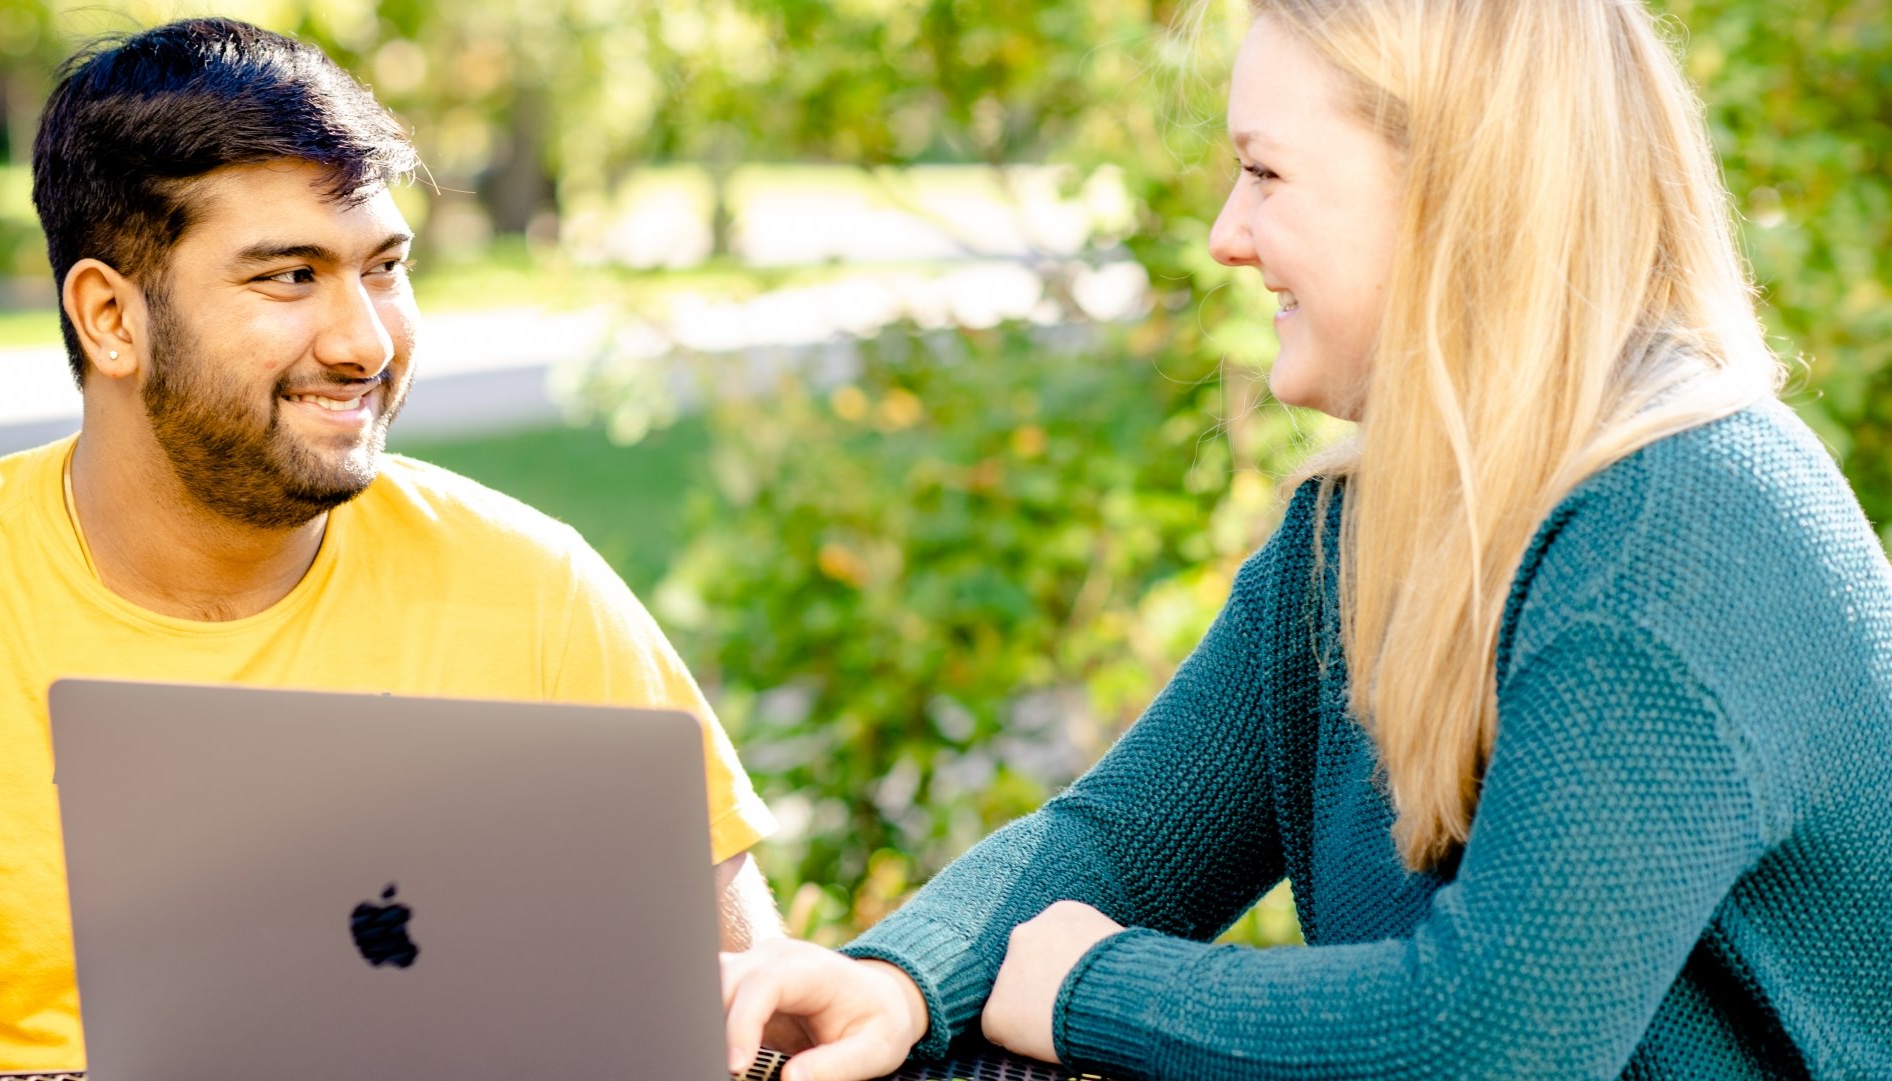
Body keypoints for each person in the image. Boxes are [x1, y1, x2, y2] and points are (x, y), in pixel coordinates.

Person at [0, 19, 780, 1078]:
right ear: (110, 316)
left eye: (385, 269)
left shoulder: (539, 590)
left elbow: (743, 994)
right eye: (289, 277)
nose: (364, 340)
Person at [718, 1, 1892, 1078]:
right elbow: (1128, 843)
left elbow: (1483, 1045)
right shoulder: (1356, 535)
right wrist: (899, 977)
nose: (1227, 236)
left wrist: (1089, 986)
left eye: (1262, 173)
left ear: (1453, 188)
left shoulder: (1682, 521)